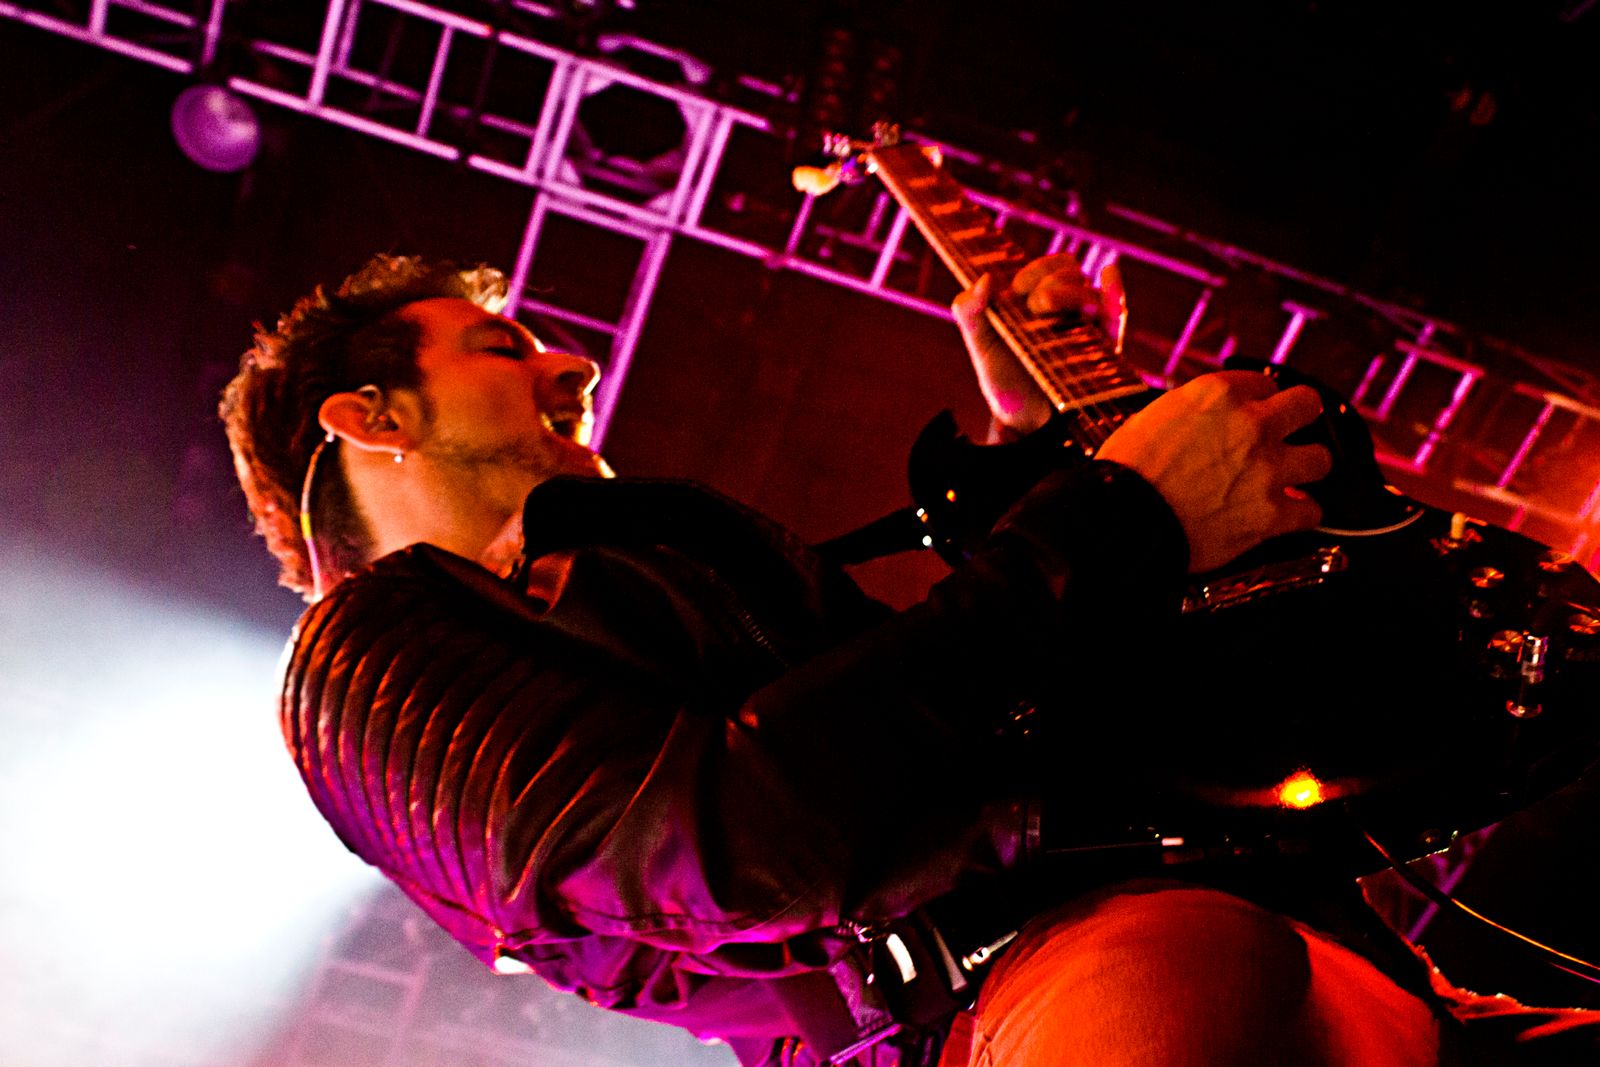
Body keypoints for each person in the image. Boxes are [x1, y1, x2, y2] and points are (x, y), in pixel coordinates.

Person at [219, 251, 1574, 1066]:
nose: (571, 362)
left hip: (1331, 944)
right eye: (500, 346)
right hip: (1012, 992)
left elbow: (964, 698)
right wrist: (1119, 512)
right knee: (1190, 984)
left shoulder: (652, 576)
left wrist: (1043, 453)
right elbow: (736, 841)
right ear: (371, 416)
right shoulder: (361, 662)